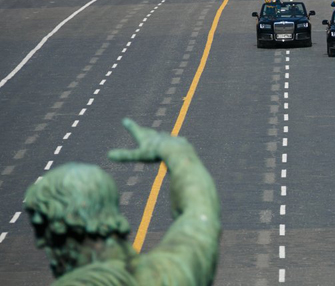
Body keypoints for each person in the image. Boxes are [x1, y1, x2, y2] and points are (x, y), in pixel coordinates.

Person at [24, 119, 220, 285]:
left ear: (69, 228)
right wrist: (177, 152)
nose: (41, 244)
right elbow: (201, 214)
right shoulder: (172, 272)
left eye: (44, 232)